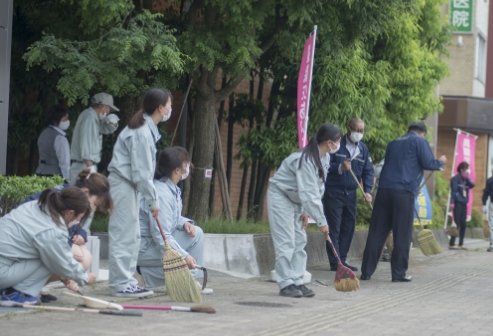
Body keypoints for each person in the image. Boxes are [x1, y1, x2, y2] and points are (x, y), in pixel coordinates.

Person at [360, 122, 446, 282]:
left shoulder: (393, 143)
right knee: (402, 234)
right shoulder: (419, 141)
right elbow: (429, 163)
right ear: (423, 133)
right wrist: (440, 161)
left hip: (384, 191)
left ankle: (366, 272)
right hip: (403, 193)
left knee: (376, 234)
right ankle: (399, 273)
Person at [107, 88, 172, 298]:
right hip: (123, 186)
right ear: (160, 108)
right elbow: (143, 174)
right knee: (123, 235)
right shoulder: (142, 133)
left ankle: (126, 281)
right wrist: (154, 201)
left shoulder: (146, 129)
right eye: (169, 105)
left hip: (129, 187)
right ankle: (120, 284)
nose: (171, 109)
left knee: (132, 235)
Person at [268, 123, 341, 298]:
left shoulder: (325, 158)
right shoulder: (305, 159)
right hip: (281, 196)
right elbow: (309, 193)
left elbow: (317, 188)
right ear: (329, 142)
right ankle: (286, 283)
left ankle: (297, 280)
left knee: (300, 240)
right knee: (286, 241)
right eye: (338, 141)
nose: (339, 145)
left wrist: (307, 211)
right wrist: (322, 221)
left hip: (299, 200)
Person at [18, 169, 113, 302]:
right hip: (24, 247)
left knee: (80, 254)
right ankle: (25, 289)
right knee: (83, 258)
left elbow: (71, 230)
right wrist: (75, 277)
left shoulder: (66, 195)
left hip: (28, 244)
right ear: (86, 192)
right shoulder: (64, 201)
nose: (93, 209)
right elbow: (57, 244)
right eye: (95, 204)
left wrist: (80, 234)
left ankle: (34, 288)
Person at [0, 187, 97, 306]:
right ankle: (15, 294)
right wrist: (85, 277)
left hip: (6, 262)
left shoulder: (35, 205)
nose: (77, 221)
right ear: (70, 212)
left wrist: (64, 274)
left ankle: (11, 291)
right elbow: (61, 261)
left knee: (49, 254)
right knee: (49, 257)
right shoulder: (52, 230)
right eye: (78, 218)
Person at [136, 147, 211, 294]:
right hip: (143, 248)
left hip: (153, 242)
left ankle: (187, 278)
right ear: (177, 170)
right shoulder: (162, 194)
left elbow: (170, 218)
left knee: (198, 234)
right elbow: (161, 235)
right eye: (186, 163)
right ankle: (144, 274)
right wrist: (184, 256)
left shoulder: (170, 188)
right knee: (183, 262)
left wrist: (184, 223)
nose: (188, 165)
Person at [323, 118, 374, 272]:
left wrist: (368, 191)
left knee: (348, 227)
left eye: (361, 131)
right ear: (348, 128)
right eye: (356, 129)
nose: (358, 133)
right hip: (334, 191)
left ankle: (342, 259)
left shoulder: (363, 150)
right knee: (334, 228)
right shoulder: (335, 146)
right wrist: (339, 167)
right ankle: (335, 261)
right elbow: (324, 165)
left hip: (351, 193)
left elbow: (368, 171)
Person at [69, 92, 120, 184]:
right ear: (102, 106)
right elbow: (86, 144)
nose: (108, 113)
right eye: (109, 109)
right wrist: (90, 168)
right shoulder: (89, 118)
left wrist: (112, 123)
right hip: (84, 166)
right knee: (82, 197)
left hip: (84, 165)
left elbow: (105, 129)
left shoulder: (93, 117)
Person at [35, 105, 71, 180]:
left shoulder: (43, 134)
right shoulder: (60, 138)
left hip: (39, 173)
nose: (67, 121)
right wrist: (67, 178)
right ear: (55, 121)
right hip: (55, 176)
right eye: (65, 119)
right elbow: (64, 162)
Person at [449, 162, 475, 250]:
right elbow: (453, 191)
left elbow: (472, 185)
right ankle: (452, 243)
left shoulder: (466, 180)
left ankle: (461, 243)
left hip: (464, 203)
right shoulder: (455, 179)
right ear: (461, 169)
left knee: (463, 224)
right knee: (457, 223)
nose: (468, 170)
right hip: (457, 203)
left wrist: (467, 178)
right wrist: (452, 202)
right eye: (466, 168)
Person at [482, 169, 493, 252]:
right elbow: (486, 192)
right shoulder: (490, 181)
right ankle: (492, 244)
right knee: (491, 224)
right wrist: (484, 203)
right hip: (492, 203)